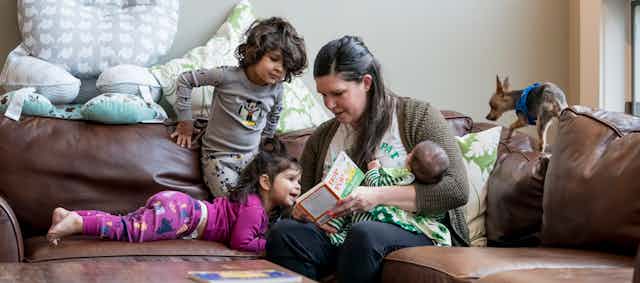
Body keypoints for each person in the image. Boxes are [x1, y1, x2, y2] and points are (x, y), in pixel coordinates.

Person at [265, 36, 470, 283]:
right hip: (342, 234)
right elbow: (302, 199)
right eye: (323, 95)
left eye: (338, 93)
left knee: (364, 234)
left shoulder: (417, 117)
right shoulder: (322, 137)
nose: (330, 104)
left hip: (412, 230)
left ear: (366, 82)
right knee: (284, 233)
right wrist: (299, 212)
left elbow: (456, 190)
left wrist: (376, 196)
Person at [46, 147, 302, 253]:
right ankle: (79, 223)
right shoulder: (254, 207)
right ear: (266, 182)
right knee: (130, 230)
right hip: (183, 215)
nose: (297, 186)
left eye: (299, 181)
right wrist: (270, 244)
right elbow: (241, 241)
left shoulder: (255, 207)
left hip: (179, 206)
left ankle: (70, 215)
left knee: (127, 221)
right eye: (291, 179)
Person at [170, 17, 307, 197]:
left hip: (253, 159)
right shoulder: (226, 76)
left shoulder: (277, 89)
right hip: (219, 159)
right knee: (235, 206)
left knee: (270, 202)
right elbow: (185, 80)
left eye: (286, 67)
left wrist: (265, 142)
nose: (279, 69)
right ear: (254, 51)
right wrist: (185, 122)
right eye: (274, 59)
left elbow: (274, 114)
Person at [326, 140, 452, 247]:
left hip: (379, 217)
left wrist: (373, 170)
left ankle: (337, 233)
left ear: (409, 161)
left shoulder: (403, 178)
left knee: (351, 206)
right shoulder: (431, 190)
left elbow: (375, 185)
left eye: (411, 153)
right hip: (397, 226)